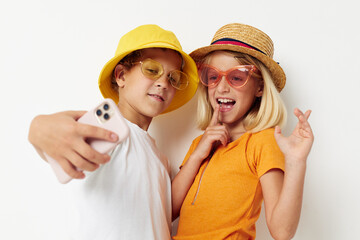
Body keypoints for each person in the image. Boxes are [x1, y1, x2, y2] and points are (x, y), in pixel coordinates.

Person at [28, 24, 198, 240]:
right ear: (121, 76)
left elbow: (161, 216)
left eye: (173, 78)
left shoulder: (159, 158)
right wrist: (38, 128)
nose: (163, 83)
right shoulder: (109, 131)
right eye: (152, 70)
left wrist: (198, 155)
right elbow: (54, 139)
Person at [171, 23, 314, 240]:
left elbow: (282, 232)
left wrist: (296, 162)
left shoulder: (262, 141)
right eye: (213, 76)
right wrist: (198, 154)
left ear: (260, 88)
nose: (221, 88)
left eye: (236, 77)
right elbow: (168, 211)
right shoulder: (200, 144)